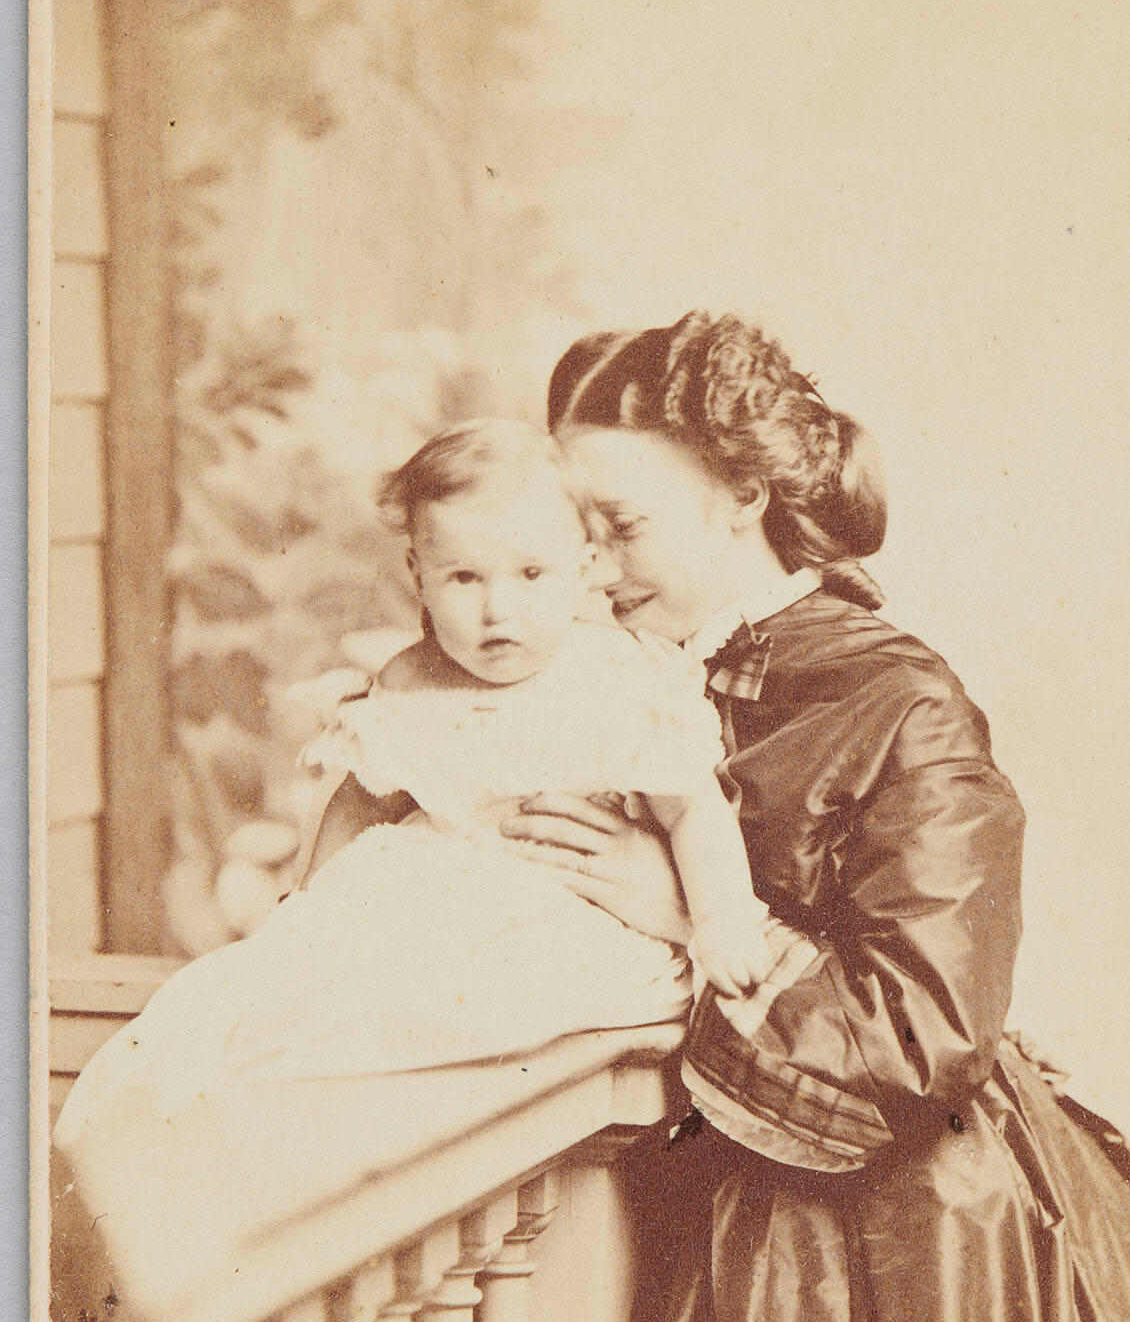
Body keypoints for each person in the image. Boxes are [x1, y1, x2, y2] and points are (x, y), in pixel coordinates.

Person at [500, 311, 1130, 1322]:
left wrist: (696, 919)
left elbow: (921, 1032)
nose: (585, 572)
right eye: (570, 531)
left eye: (621, 526)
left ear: (745, 492)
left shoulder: (897, 702)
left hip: (897, 1251)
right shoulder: (607, 683)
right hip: (696, 1218)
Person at [53, 418, 774, 1156]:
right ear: (417, 574)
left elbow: (693, 812)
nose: (498, 609)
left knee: (456, 1032)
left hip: (554, 909)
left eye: (531, 575)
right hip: (419, 905)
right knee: (269, 1005)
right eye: (464, 577)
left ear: (585, 565)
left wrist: (721, 920)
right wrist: (307, 906)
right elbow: (361, 801)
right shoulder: (408, 680)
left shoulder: (619, 677)